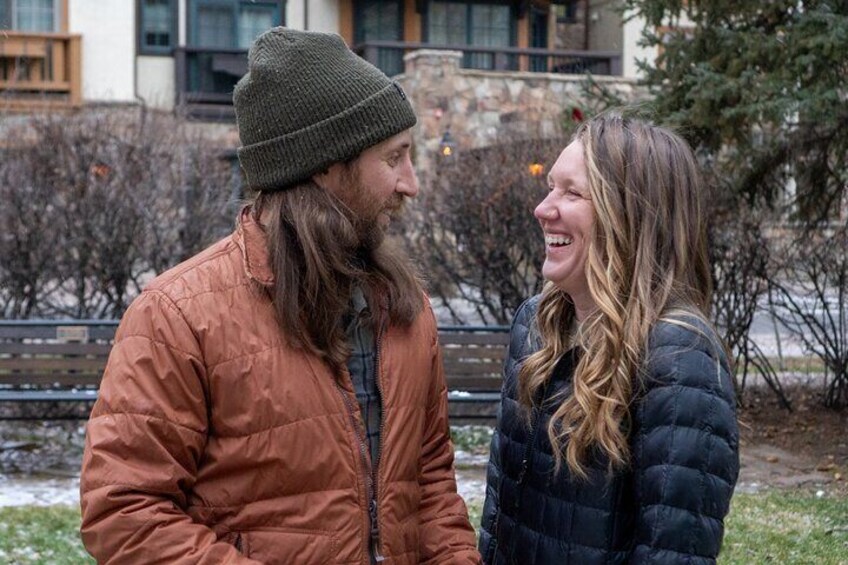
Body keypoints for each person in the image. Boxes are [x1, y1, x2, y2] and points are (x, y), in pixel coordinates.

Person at [80, 28, 479, 565]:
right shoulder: (178, 316)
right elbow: (124, 513)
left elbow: (429, 486)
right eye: (394, 158)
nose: (411, 183)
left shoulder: (404, 308)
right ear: (326, 166)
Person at [479, 114, 740, 564]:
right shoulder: (535, 327)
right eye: (551, 187)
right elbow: (497, 515)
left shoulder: (680, 359)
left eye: (572, 193)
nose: (543, 209)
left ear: (630, 216)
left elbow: (672, 553)